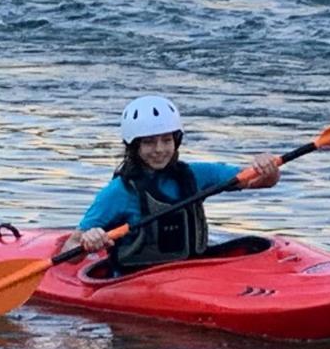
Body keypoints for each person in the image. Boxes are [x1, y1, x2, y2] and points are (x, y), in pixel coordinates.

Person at [62, 94, 280, 272]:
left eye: (166, 140)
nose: (159, 149)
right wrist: (88, 241)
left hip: (191, 274)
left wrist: (267, 168)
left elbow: (259, 182)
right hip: (138, 282)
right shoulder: (119, 192)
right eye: (149, 142)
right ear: (134, 147)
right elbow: (69, 253)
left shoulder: (197, 174)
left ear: (176, 141)